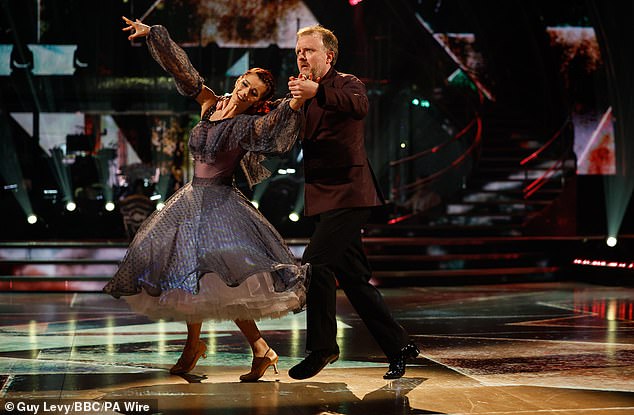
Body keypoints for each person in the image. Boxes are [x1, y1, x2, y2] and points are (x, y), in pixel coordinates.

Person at [104, 16, 308, 382]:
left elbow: (277, 127)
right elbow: (184, 71)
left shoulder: (250, 126)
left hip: (220, 206)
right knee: (192, 278)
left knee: (219, 280)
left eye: (254, 93)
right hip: (189, 201)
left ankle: (236, 348)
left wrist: (293, 104)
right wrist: (154, 34)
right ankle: (229, 348)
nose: (245, 91)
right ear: (238, 79)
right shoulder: (210, 104)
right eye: (245, 84)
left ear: (259, 102)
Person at [286, 25, 419, 380]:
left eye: (309, 50)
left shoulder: (346, 83)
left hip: (350, 191)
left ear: (328, 55)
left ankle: (323, 347)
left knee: (314, 265)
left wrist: (319, 92)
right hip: (324, 197)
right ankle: (399, 346)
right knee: (356, 280)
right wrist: (293, 107)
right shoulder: (301, 93)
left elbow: (358, 107)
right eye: (299, 50)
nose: (301, 56)